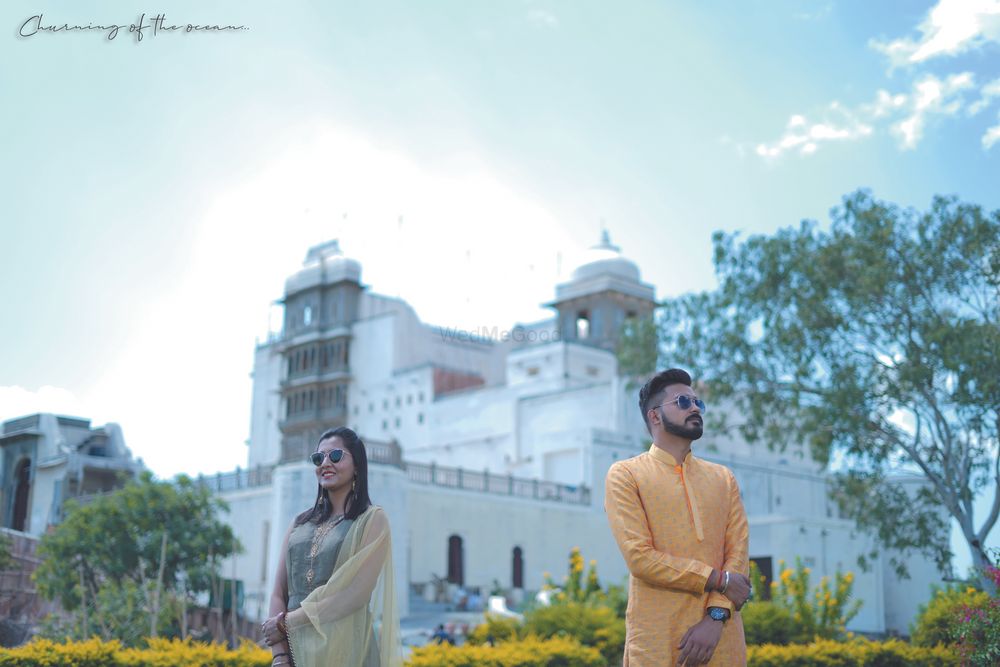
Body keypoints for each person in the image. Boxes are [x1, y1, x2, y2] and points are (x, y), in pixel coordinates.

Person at [605, 369, 751, 666]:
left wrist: (716, 616)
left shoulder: (723, 478)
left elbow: (738, 554)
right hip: (656, 642)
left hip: (722, 641)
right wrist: (718, 579)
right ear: (655, 416)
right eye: (683, 402)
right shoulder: (627, 475)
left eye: (697, 402)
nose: (695, 407)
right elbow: (640, 558)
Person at [260, 427, 402, 667]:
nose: (325, 463)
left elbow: (354, 595)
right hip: (294, 652)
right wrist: (280, 655)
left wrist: (287, 622)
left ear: (357, 465)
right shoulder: (299, 523)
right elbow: (278, 592)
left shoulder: (372, 520)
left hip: (348, 653)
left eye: (335, 456)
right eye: (319, 458)